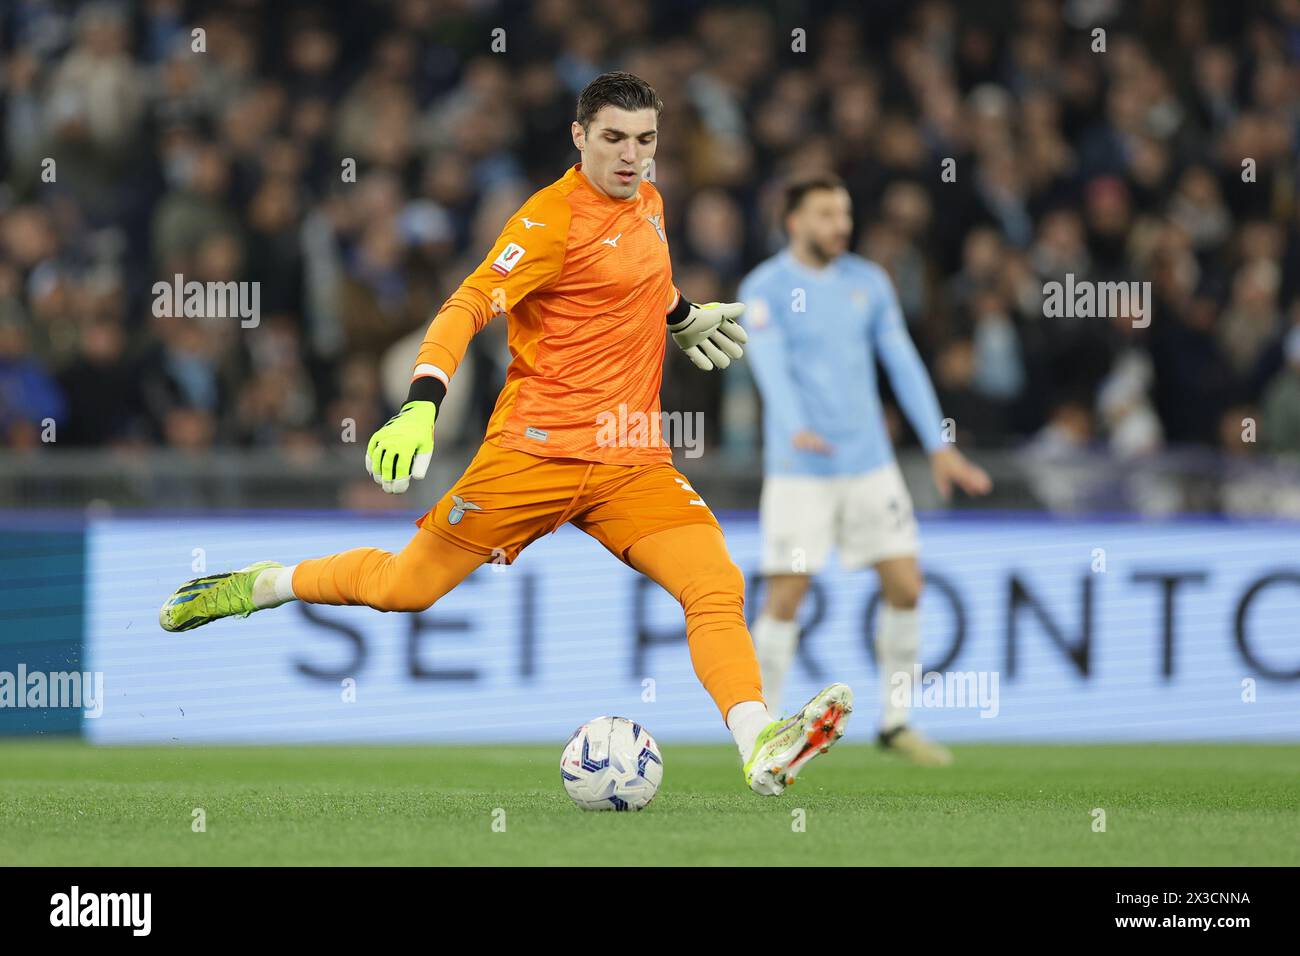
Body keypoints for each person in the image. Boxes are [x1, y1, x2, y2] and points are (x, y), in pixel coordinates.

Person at [159, 72, 851, 796]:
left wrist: (679, 316)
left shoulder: (649, 200)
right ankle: (262, 584)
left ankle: (759, 743)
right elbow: (465, 307)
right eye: (613, 138)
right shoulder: (548, 220)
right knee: (405, 588)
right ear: (580, 136)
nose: (630, 156)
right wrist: (422, 403)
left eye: (645, 141)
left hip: (630, 461)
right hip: (535, 454)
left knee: (715, 581)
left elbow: (635, 278)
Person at [740, 174, 991, 766]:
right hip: (799, 470)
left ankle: (897, 721)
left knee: (906, 584)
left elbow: (901, 361)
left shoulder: (868, 283)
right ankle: (763, 733)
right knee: (787, 596)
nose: (841, 225)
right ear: (794, 221)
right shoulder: (766, 287)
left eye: (845, 213)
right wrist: (795, 420)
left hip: (869, 464)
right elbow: (768, 363)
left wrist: (938, 443)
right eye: (827, 214)